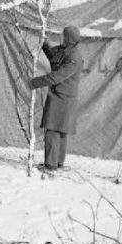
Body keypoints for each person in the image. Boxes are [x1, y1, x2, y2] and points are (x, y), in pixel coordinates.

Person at [30, 25, 84, 172]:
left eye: (63, 36)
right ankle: (56, 163)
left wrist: (34, 83)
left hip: (63, 98)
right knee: (59, 130)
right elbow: (53, 55)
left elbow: (57, 76)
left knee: (54, 131)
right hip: (59, 96)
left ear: (69, 39)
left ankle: (51, 165)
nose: (61, 38)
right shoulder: (65, 50)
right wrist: (44, 43)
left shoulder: (74, 57)